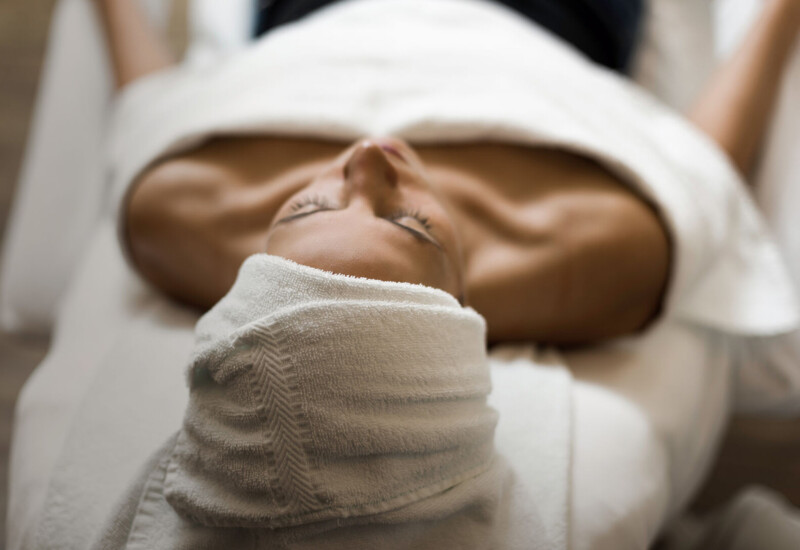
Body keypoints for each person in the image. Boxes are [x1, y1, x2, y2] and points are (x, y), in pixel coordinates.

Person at [92, 0, 800, 346]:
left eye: (307, 208)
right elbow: (706, 168)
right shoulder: (590, 256)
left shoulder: (174, 212)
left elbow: (144, 102)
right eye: (408, 222)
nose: (369, 156)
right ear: (465, 290)